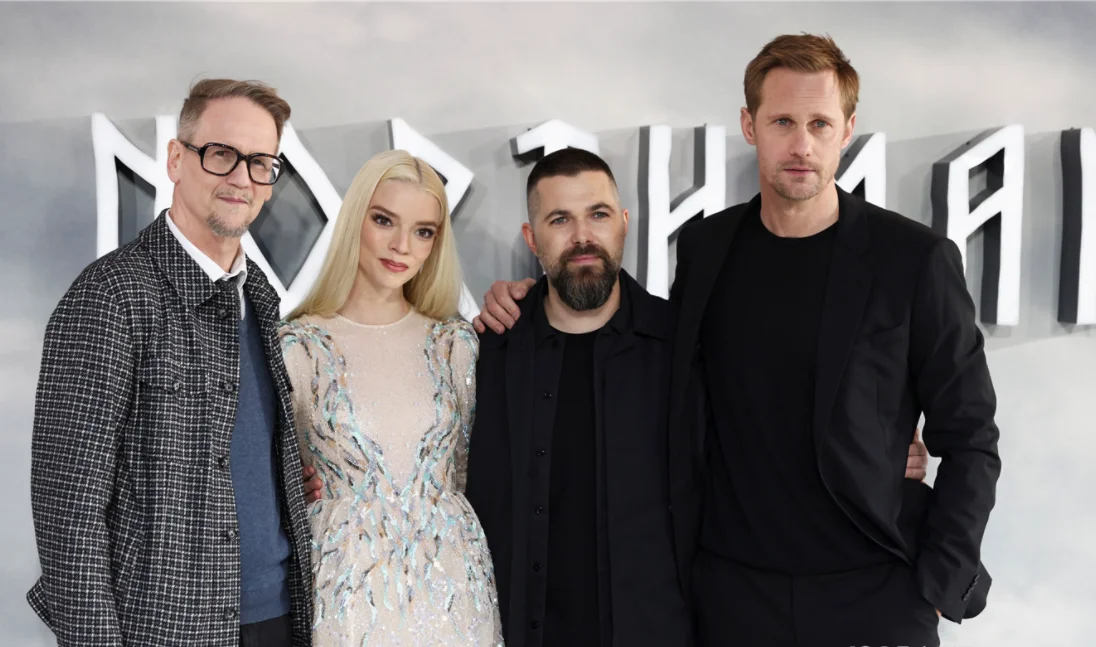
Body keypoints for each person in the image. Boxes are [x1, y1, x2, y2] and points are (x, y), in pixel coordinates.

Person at [470, 148, 932, 647]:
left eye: (598, 214)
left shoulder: (687, 345)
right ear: (531, 238)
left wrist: (879, 447)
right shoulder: (489, 353)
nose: (583, 236)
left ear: (623, 223)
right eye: (560, 219)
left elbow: (772, 426)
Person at [28, 79, 313, 646]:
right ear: (177, 159)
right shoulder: (109, 297)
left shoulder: (259, 295)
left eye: (260, 163)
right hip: (165, 630)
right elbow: (68, 512)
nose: (242, 178)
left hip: (279, 616)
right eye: (222, 153)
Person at [279, 150, 503, 646]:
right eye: (384, 220)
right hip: (343, 594)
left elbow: (468, 471)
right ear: (355, 219)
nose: (402, 245)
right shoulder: (298, 348)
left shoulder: (454, 345)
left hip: (453, 590)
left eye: (423, 231)